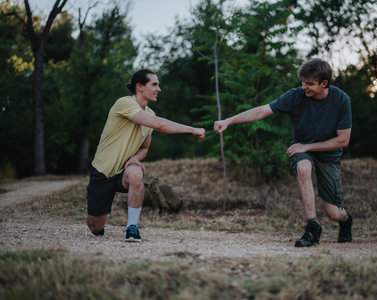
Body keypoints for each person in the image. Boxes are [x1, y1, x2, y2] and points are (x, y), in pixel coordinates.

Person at [214, 58, 353, 247]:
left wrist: (307, 146)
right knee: (303, 168)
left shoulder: (341, 100)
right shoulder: (296, 96)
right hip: (302, 149)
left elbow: (343, 141)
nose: (304, 87)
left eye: (309, 83)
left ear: (324, 83)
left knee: (334, 214)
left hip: (329, 155)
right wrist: (229, 121)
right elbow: (262, 111)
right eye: (303, 82)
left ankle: (346, 221)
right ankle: (312, 228)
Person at [87, 69, 205, 242]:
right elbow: (160, 125)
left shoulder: (151, 114)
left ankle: (132, 227)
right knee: (95, 226)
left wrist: (136, 158)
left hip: (125, 171)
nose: (159, 89)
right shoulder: (124, 103)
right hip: (103, 171)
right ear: (140, 87)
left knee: (136, 173)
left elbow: (144, 147)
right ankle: (98, 224)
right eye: (154, 84)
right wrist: (192, 129)